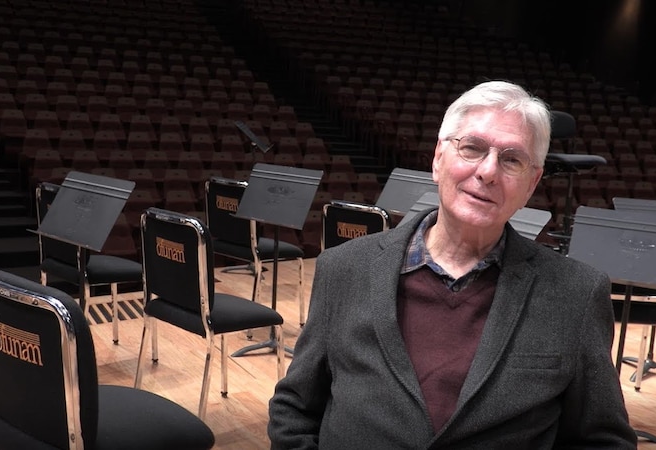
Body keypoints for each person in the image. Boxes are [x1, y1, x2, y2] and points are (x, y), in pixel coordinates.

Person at [268, 80, 637, 449]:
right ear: (438, 159)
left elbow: (603, 440)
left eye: (512, 159)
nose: (488, 171)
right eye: (472, 148)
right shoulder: (343, 269)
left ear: (532, 183)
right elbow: (295, 409)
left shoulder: (577, 294)